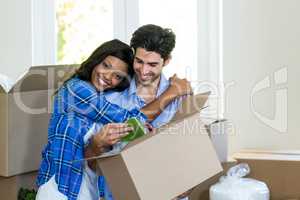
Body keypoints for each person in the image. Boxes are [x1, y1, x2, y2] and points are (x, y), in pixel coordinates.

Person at [36, 39, 191, 200]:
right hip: (60, 187)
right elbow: (131, 119)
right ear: (96, 61)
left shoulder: (107, 97)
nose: (108, 76)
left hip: (90, 189)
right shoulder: (76, 89)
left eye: (117, 76)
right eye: (105, 65)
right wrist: (174, 91)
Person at [96, 24, 194, 200]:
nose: (144, 70)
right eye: (139, 61)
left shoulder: (182, 96)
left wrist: (189, 181)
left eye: (152, 64)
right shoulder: (113, 96)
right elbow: (100, 153)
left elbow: (192, 148)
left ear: (167, 60)